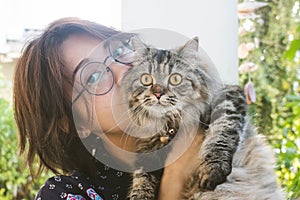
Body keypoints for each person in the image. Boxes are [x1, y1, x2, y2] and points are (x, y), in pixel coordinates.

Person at [14, 17, 284, 200]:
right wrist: (173, 183)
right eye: (94, 77)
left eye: (120, 50)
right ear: (74, 121)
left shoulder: (198, 113)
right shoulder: (67, 194)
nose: (126, 70)